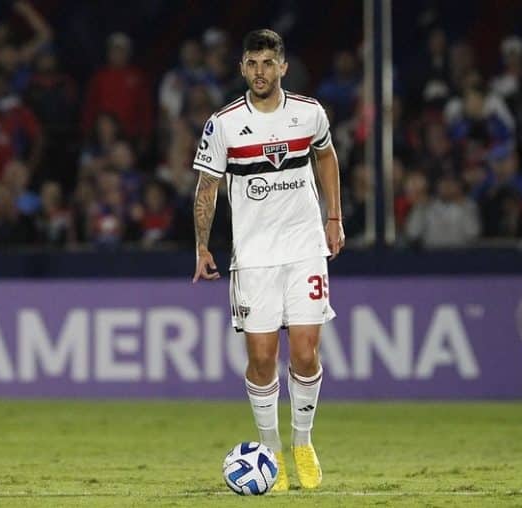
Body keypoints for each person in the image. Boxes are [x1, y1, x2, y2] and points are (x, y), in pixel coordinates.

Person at [191, 29, 344, 491]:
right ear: (241, 68)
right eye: (251, 63)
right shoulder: (223, 124)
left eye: (267, 62)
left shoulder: (309, 113)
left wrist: (333, 218)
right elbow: (206, 188)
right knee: (261, 359)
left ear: (283, 67)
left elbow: (327, 157)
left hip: (304, 249)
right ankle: (270, 452)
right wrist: (201, 246)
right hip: (254, 257)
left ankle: (302, 441)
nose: (260, 71)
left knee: (305, 352)